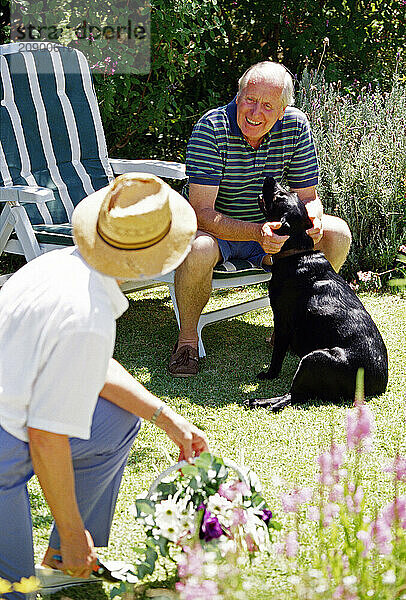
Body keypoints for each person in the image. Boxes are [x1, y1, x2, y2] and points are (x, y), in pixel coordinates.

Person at [0, 173, 209, 599]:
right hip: (7, 446)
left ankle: (62, 563)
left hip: (10, 419)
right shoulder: (87, 317)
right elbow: (46, 437)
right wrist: (76, 533)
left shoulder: (57, 265)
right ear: (155, 261)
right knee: (15, 591)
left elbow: (90, 365)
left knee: (117, 419)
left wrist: (165, 417)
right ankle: (69, 552)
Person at [168, 61, 352, 377]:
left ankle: (291, 327)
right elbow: (201, 212)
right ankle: (186, 343)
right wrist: (257, 233)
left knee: (337, 234)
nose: (256, 112)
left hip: (270, 233)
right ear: (238, 97)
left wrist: (313, 219)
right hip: (217, 232)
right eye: (250, 100)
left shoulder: (295, 125)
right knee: (197, 248)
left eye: (268, 105)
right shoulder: (211, 128)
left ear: (282, 111)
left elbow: (308, 197)